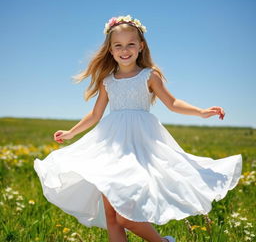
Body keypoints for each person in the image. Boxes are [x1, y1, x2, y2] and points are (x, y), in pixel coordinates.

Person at [34, 15, 242, 242]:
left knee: (126, 217)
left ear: (141, 46)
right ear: (110, 50)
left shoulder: (149, 76)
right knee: (112, 217)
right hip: (110, 147)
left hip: (141, 145)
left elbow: (172, 103)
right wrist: (71, 132)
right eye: (118, 45)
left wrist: (201, 112)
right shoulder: (108, 80)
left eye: (131, 44)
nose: (125, 50)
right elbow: (95, 115)